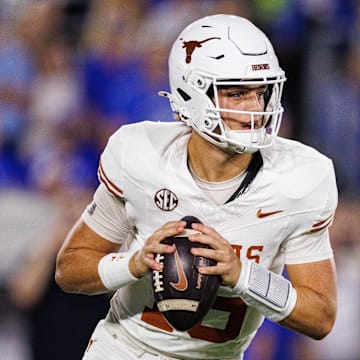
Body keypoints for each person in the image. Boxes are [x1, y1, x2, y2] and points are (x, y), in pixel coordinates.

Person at [55, 14, 338, 360]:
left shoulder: (300, 179)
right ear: (192, 93)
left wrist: (243, 275)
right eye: (237, 93)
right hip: (126, 350)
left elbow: (321, 316)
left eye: (261, 92)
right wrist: (132, 264)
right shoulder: (141, 157)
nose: (256, 108)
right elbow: (70, 269)